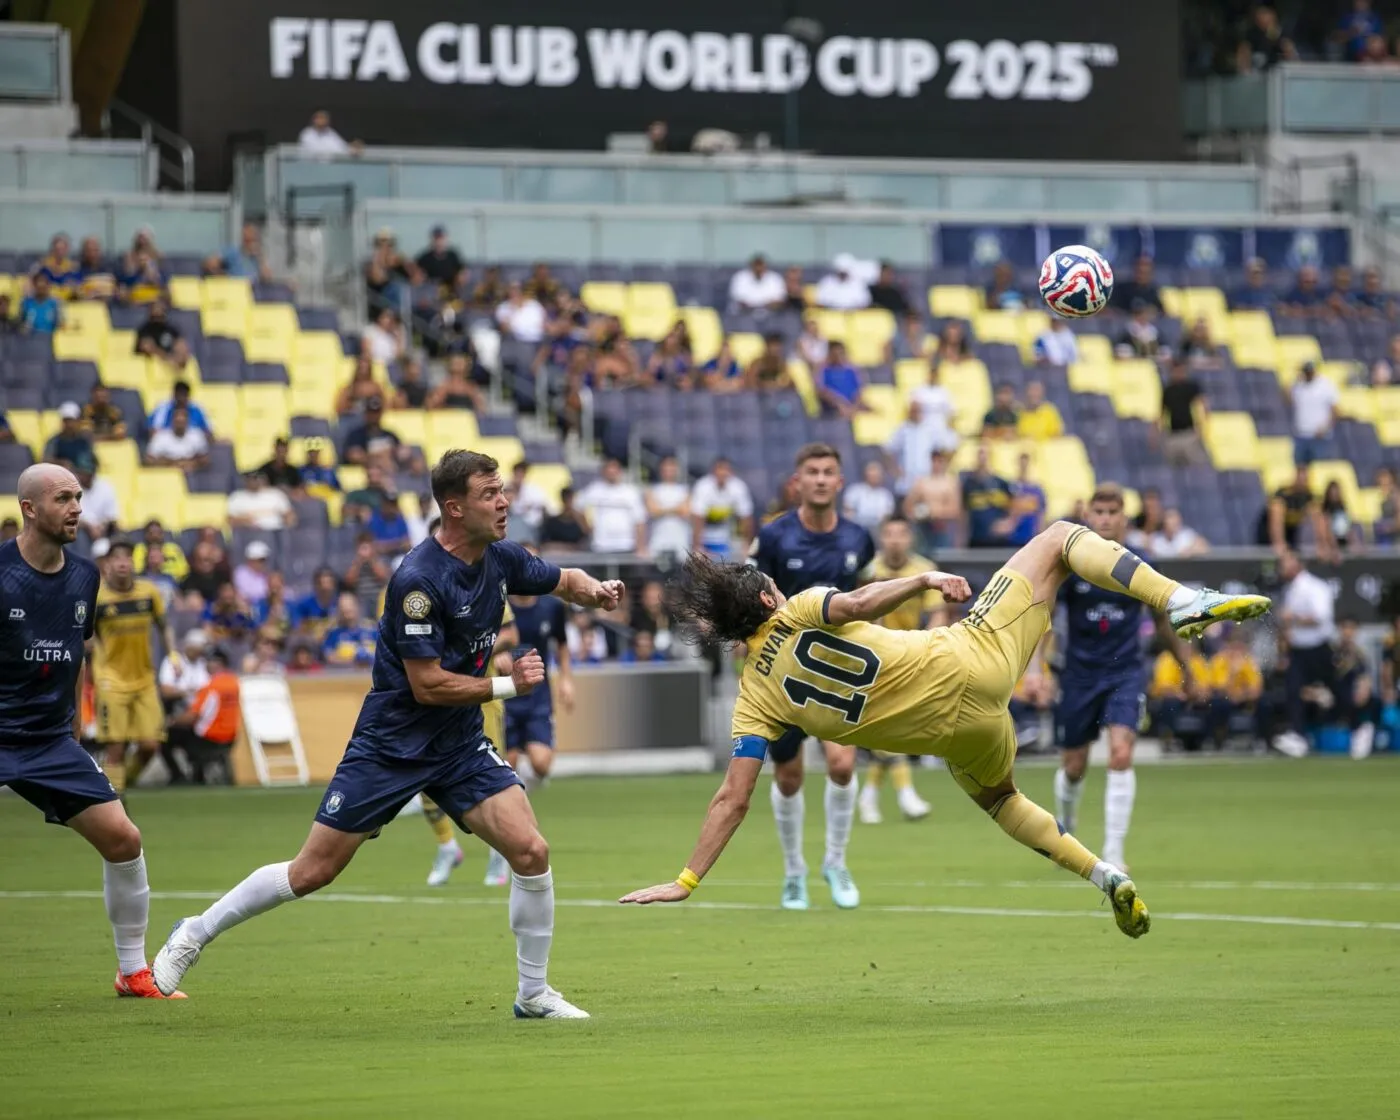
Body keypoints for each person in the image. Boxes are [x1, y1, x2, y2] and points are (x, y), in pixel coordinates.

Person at [620, 515, 1272, 936]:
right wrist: (923, 579)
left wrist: (686, 879)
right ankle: (1179, 599)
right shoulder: (799, 608)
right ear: (767, 598)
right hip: (975, 659)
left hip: (957, 738)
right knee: (1058, 538)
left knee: (1003, 801)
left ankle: (1105, 876)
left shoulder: (753, 702)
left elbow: (733, 797)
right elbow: (858, 601)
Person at [152, 450, 628, 1018]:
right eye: (489, 494)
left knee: (531, 851)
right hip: (392, 744)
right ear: (454, 508)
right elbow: (426, 686)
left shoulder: (500, 557)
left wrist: (596, 590)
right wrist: (508, 686)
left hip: (458, 744)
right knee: (313, 870)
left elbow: (563, 579)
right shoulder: (418, 581)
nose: (504, 503)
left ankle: (533, 994)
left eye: (502, 491)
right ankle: (194, 932)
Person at [0, 464, 179, 997]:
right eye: (63, 498)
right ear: (30, 509)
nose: (76, 507)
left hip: (50, 741)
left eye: (78, 496)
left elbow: (75, 653)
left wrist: (74, 729)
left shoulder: (85, 577)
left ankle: (133, 971)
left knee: (124, 839)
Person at [1038, 485, 1202, 871]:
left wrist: (1188, 669)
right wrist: (1036, 670)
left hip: (1125, 672)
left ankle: (1113, 852)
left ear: (1124, 518)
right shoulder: (1072, 563)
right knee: (1073, 766)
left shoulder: (1140, 564)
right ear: (1088, 516)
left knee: (1121, 753)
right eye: (1099, 512)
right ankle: (1067, 829)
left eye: (1113, 512)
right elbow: (1046, 618)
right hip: (1079, 675)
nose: (1106, 519)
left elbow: (1162, 622)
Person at [749, 443, 875, 911]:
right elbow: (751, 598)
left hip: (840, 670)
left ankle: (836, 862)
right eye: (812, 472)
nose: (820, 479)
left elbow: (867, 596)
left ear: (839, 482)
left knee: (842, 766)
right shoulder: (774, 538)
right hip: (784, 675)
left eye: (828, 472)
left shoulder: (859, 538)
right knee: (789, 777)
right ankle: (793, 872)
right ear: (796, 482)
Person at [486, 582, 575, 885]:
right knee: (506, 770)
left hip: (538, 698)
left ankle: (516, 804)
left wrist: (566, 679)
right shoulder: (498, 607)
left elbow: (562, 644)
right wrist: (494, 656)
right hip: (505, 696)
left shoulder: (552, 607)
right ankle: (499, 851)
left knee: (541, 763)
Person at [855, 515, 939, 825]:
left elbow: (938, 614)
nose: (895, 540)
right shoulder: (869, 570)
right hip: (873, 656)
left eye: (901, 534)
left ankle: (869, 796)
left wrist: (927, 649)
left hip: (910, 655)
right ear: (882, 538)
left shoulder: (924, 569)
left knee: (890, 727)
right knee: (889, 724)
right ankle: (906, 794)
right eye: (889, 534)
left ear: (910, 538)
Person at [92, 537, 180, 797]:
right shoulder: (98, 598)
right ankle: (115, 800)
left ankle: (118, 787)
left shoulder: (149, 592)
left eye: (127, 558)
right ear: (107, 564)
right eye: (116, 558)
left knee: (150, 746)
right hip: (111, 679)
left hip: (144, 680)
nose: (122, 563)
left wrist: (173, 655)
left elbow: (164, 625)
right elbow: (85, 634)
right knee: (116, 747)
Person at [1274, 549, 1337, 758]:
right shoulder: (1290, 589)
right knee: (1293, 691)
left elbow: (1320, 617)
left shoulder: (1314, 587)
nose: (1281, 568)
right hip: (1298, 650)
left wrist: (1292, 618)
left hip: (1318, 649)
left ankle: (1354, 727)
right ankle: (1298, 736)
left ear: (1296, 564)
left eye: (1285, 563)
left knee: (1332, 691)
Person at [690, 457, 754, 559]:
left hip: (729, 540)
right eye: (719, 469)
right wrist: (697, 546)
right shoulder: (703, 486)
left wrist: (747, 544)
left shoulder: (739, 487)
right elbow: (697, 519)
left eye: (725, 470)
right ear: (713, 471)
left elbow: (746, 518)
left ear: (731, 472)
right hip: (706, 538)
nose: (722, 473)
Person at [143, 406, 210, 472]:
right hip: (167, 473)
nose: (180, 422)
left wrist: (192, 463)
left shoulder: (197, 435)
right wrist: (170, 463)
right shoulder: (160, 437)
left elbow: (205, 459)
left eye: (182, 420)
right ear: (172, 420)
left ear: (187, 421)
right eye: (178, 420)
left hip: (192, 474)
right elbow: (148, 459)